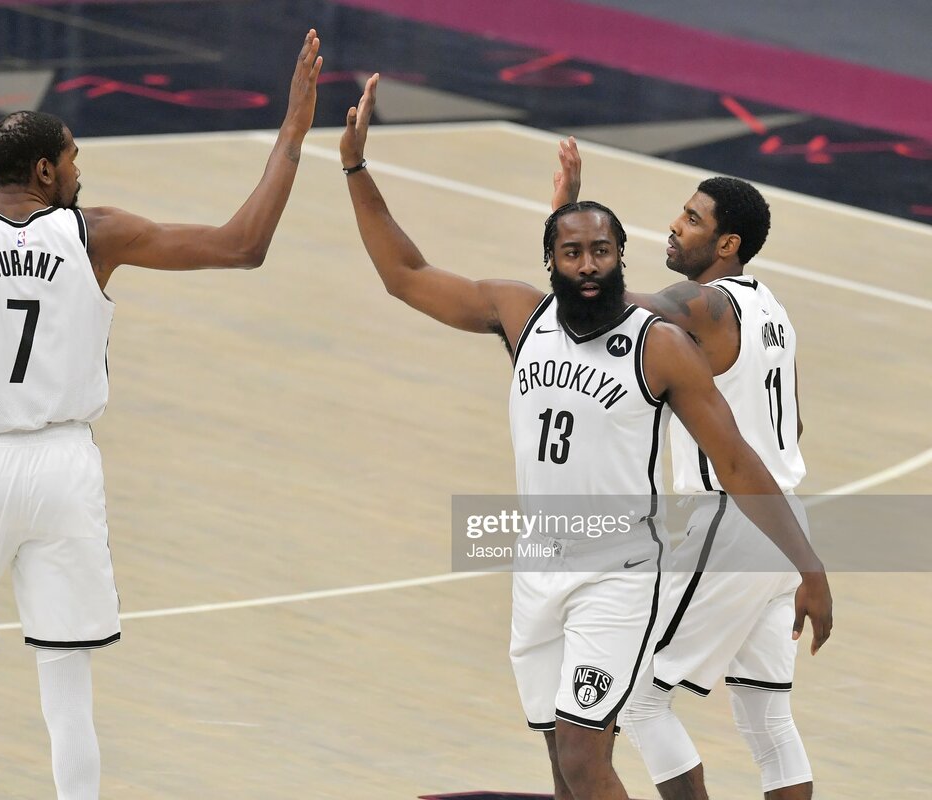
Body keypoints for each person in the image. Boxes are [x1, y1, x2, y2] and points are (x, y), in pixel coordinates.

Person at [0, 29, 324, 800]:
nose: (81, 170)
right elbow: (243, 246)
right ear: (45, 170)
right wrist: (292, 131)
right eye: (74, 158)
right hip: (65, 468)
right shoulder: (95, 234)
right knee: (66, 679)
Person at [339, 75, 831, 800]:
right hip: (561, 557)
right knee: (636, 746)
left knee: (612, 729)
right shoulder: (532, 316)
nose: (589, 263)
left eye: (603, 250)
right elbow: (406, 274)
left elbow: (731, 455)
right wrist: (355, 168)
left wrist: (811, 566)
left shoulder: (670, 331)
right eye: (572, 251)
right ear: (552, 260)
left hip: (669, 545)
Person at [553, 139, 818, 800]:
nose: (675, 225)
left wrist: (567, 225)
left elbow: (602, 304)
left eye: (692, 219)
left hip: (732, 522)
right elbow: (793, 428)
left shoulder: (707, 305)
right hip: (786, 523)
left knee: (638, 698)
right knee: (768, 720)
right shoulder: (772, 311)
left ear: (727, 244)